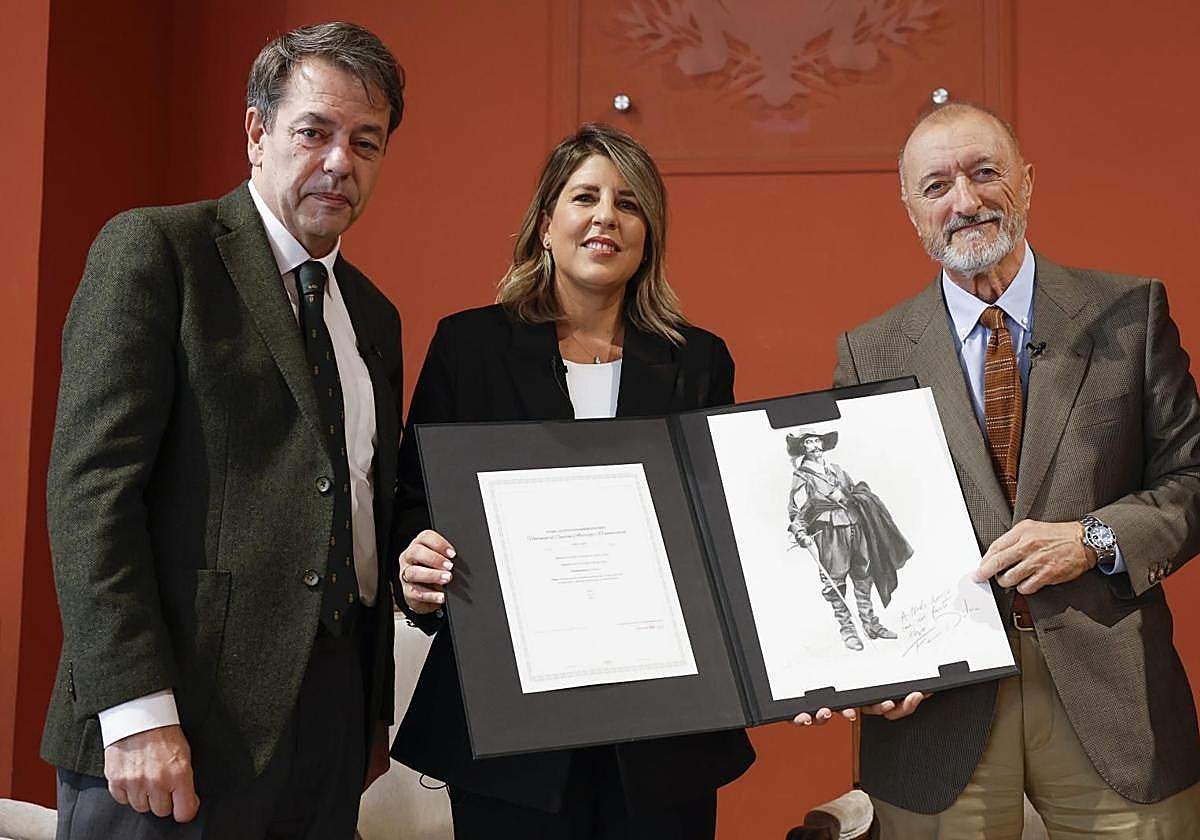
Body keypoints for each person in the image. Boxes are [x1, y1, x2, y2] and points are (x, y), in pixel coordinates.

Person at [41, 22, 406, 839]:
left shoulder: (374, 316)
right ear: (256, 131)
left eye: (366, 142)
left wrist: (367, 714)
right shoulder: (157, 252)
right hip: (171, 734)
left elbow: (359, 510)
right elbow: (92, 493)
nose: (340, 162)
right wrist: (134, 710)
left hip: (329, 739)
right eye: (314, 132)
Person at [832, 101, 1200, 836]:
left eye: (984, 173)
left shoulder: (1132, 313)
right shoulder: (867, 354)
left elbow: (1192, 478)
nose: (964, 201)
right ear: (911, 211)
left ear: (1026, 183)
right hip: (936, 713)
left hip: (1113, 701)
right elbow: (859, 534)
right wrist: (868, 665)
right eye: (936, 186)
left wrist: (1093, 539)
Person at [391, 123, 755, 838]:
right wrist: (419, 569)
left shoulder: (698, 361)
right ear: (545, 225)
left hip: (662, 729)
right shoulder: (468, 347)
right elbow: (414, 505)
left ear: (647, 233)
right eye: (584, 197)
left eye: (629, 203)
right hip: (509, 725)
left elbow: (721, 529)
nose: (605, 217)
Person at [785, 430, 910, 650]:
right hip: (830, 533)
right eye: (809, 442)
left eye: (817, 440)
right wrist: (801, 532)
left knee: (864, 575)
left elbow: (853, 494)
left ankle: (871, 624)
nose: (815, 445)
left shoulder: (837, 470)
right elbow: (797, 510)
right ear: (803, 448)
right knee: (835, 582)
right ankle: (848, 631)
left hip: (856, 527)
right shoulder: (802, 476)